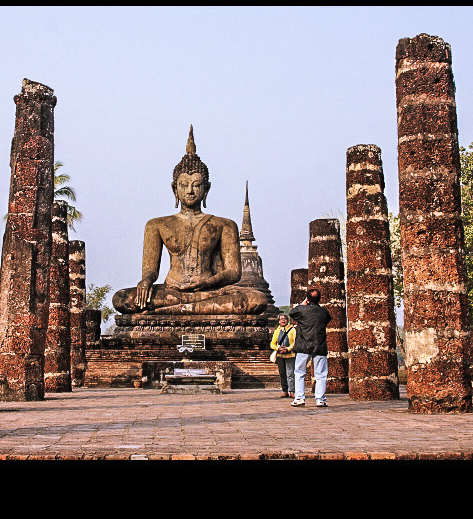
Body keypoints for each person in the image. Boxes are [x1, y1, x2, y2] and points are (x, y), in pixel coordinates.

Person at [112, 126, 267, 315]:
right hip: (172, 291)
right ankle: (189, 308)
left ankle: (173, 310)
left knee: (256, 300)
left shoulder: (224, 225)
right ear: (174, 189)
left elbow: (234, 272)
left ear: (206, 189)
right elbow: (151, 269)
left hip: (210, 291)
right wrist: (145, 281)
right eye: (183, 185)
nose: (190, 191)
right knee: (122, 299)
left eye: (196, 185)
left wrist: (207, 283)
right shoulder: (157, 225)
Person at [289, 287, 331, 407]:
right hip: (319, 345)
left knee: (299, 372)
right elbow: (327, 320)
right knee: (321, 374)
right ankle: (320, 399)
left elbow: (292, 313)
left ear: (307, 299)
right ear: (319, 299)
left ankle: (299, 398)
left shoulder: (302, 311)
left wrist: (303, 304)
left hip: (304, 345)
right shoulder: (324, 312)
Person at [270, 313, 296, 398]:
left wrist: (288, 348)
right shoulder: (277, 331)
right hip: (280, 355)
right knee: (282, 374)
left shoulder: (292, 330)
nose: (283, 320)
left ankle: (292, 391)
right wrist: (278, 348)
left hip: (290, 355)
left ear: (287, 320)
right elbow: (272, 344)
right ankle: (285, 390)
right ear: (279, 321)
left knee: (290, 374)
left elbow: (295, 343)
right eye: (281, 319)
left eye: (285, 319)